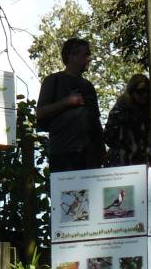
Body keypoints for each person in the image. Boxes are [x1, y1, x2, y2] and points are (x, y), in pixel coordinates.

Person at [36, 38, 105, 172]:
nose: (89, 58)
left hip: (90, 158)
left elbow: (95, 121)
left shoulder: (88, 86)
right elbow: (40, 113)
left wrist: (101, 151)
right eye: (85, 54)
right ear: (71, 56)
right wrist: (67, 102)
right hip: (63, 155)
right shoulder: (53, 81)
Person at [104, 74, 151, 167]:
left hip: (146, 162)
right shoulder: (120, 109)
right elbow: (108, 137)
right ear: (131, 92)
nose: (145, 95)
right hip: (124, 163)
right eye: (140, 91)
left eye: (147, 91)